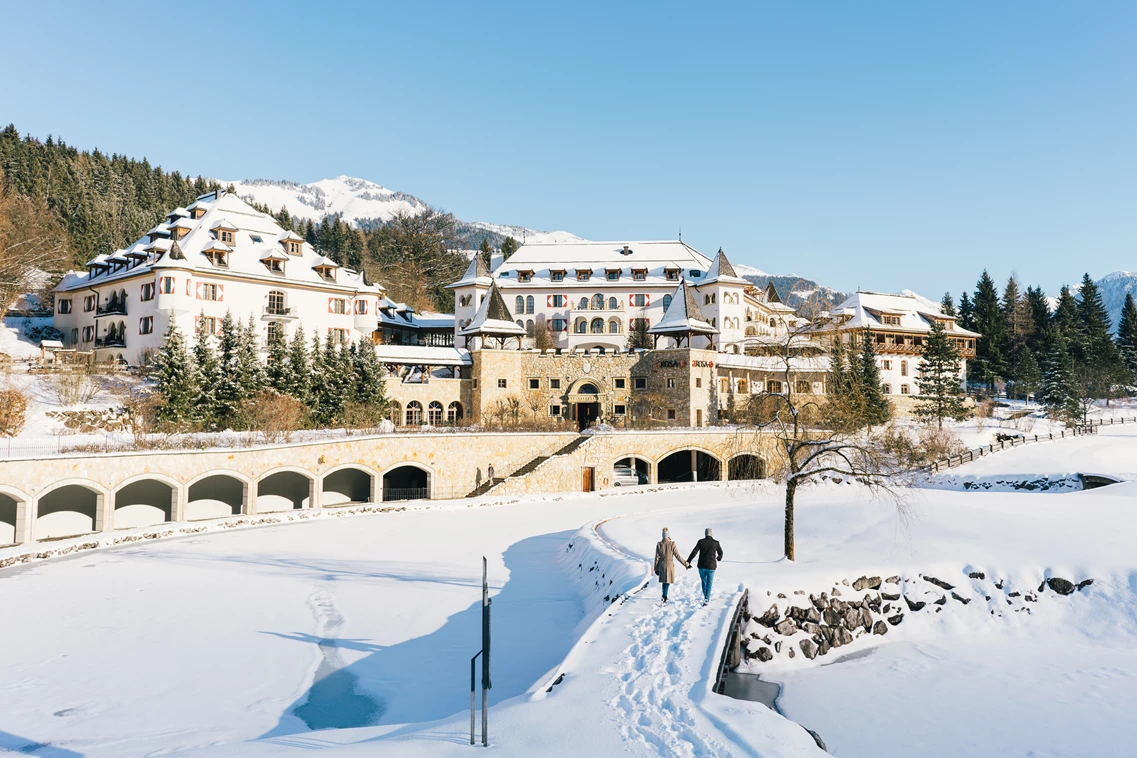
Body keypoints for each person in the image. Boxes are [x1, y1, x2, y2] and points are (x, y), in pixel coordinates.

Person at [654, 528, 690, 604]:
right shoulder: (672, 544)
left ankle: (664, 596)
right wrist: (686, 564)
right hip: (669, 565)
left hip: (662, 565)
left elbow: (656, 557)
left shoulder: (659, 544)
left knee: (664, 581)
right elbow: (678, 556)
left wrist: (656, 568)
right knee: (667, 582)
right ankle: (664, 596)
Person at [688, 528, 723, 604]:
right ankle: (706, 599)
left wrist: (688, 561)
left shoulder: (701, 542)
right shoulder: (716, 543)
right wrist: (719, 557)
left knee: (704, 582)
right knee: (709, 583)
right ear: (711, 534)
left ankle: (705, 596)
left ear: (705, 533)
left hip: (701, 566)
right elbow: (720, 552)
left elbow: (694, 552)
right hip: (711, 566)